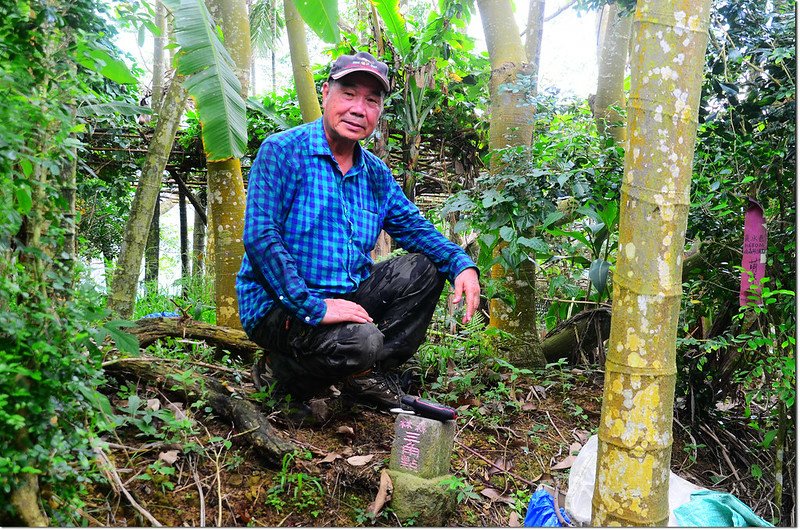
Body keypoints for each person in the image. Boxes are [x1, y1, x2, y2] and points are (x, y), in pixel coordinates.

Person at [236, 51, 480, 412]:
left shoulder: (375, 174)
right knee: (361, 341)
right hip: (279, 306)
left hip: (347, 298)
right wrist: (312, 306)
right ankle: (280, 371)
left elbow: (414, 227)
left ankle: (364, 375)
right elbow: (261, 237)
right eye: (349, 94)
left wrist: (461, 264)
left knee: (425, 268)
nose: (358, 109)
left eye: (371, 100)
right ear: (326, 93)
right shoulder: (283, 151)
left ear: (379, 112)